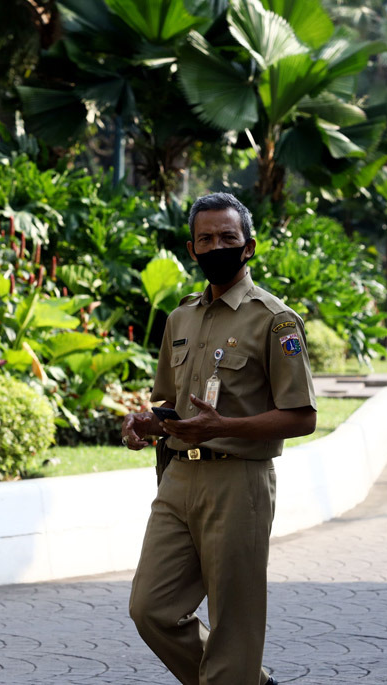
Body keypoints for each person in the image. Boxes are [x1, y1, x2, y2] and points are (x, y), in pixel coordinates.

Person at [121, 192, 317, 685]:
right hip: (179, 480)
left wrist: (224, 427)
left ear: (248, 246)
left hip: (240, 483)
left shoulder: (275, 319)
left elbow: (302, 417)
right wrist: (147, 423)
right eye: (205, 239)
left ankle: (237, 678)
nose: (216, 246)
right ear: (192, 249)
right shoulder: (180, 318)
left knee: (235, 627)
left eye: (227, 237)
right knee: (151, 608)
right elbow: (170, 405)